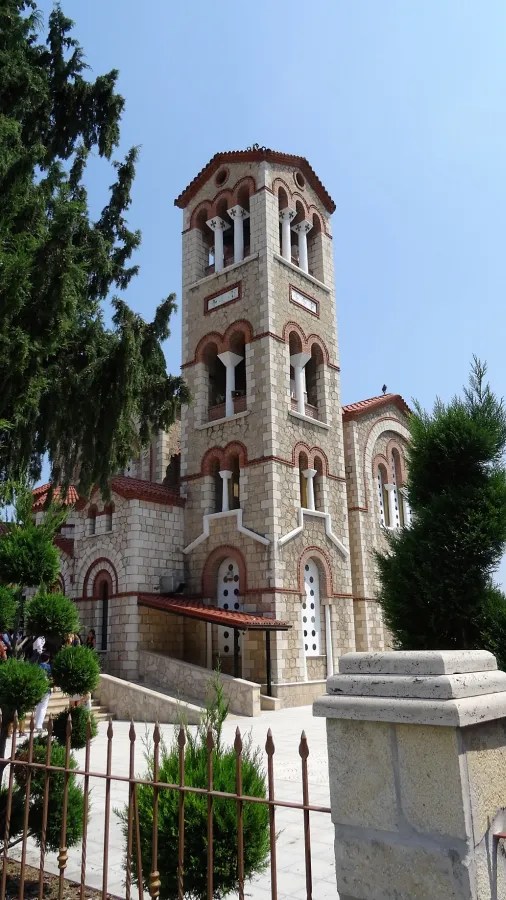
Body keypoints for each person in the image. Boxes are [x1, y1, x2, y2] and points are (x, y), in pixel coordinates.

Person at [34, 653, 52, 731]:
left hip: (38, 688)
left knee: (38, 706)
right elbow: (50, 678)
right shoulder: (48, 667)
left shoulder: (37, 667)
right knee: (43, 708)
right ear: (47, 659)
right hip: (46, 688)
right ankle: (39, 726)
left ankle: (36, 724)